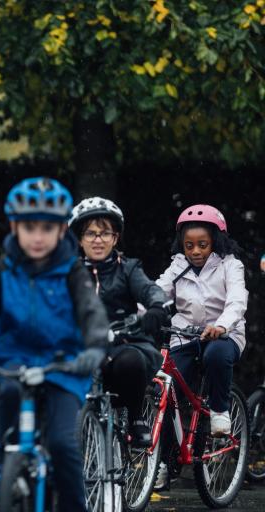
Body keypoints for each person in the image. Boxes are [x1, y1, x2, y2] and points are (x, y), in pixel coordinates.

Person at [0, 177, 110, 510]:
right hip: (16, 359)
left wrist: (93, 349)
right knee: (7, 394)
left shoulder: (71, 271)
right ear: (14, 227)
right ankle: (4, 466)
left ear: (62, 231)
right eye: (29, 227)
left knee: (63, 444)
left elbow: (92, 314)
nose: (38, 237)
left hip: (64, 364)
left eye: (47, 229)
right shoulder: (2, 269)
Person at [154, 204, 247, 489]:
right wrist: (136, 312)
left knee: (217, 355)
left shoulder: (230, 264)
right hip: (185, 336)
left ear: (215, 242)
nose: (195, 251)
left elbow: (237, 301)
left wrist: (222, 326)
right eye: (189, 245)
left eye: (203, 245)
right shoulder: (178, 266)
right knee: (167, 391)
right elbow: (156, 291)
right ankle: (162, 462)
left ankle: (220, 411)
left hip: (224, 334)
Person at [68, 197, 169, 446]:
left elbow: (149, 290)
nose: (98, 240)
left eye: (105, 233)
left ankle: (135, 419)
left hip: (121, 342)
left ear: (115, 238)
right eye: (90, 234)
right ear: (80, 240)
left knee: (131, 362)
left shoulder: (128, 269)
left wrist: (157, 306)